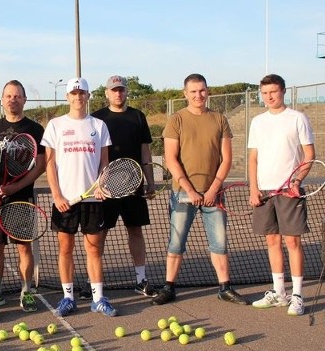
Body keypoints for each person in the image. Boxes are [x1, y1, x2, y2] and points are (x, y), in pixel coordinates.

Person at [153, 73, 247, 306]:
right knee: (176, 243)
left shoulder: (219, 119)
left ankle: (225, 288)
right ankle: (169, 287)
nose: (198, 95)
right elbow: (171, 160)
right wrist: (191, 190)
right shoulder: (176, 120)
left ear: (208, 91)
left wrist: (213, 189)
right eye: (193, 91)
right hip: (183, 194)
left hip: (214, 194)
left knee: (220, 243)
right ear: (185, 94)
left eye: (202, 90)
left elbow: (226, 159)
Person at [41, 77, 117, 317]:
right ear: (68, 97)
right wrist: (56, 195)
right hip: (65, 200)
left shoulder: (99, 126)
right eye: (73, 93)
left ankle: (98, 299)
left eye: (81, 93)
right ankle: (67, 298)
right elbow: (50, 164)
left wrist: (100, 185)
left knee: (94, 250)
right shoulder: (55, 125)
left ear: (88, 96)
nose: (77, 97)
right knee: (66, 249)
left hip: (93, 199)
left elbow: (105, 163)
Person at [248, 74, 315, 316]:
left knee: (292, 242)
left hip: (290, 192)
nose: (269, 97)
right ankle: (279, 293)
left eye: (273, 92)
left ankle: (297, 295)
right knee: (272, 241)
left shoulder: (298, 118)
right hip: (264, 192)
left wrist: (297, 181)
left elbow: (309, 155)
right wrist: (253, 188)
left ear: (283, 91)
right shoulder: (257, 122)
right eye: (265, 93)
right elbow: (253, 158)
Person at [91, 75, 157, 299]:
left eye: (121, 90)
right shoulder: (97, 119)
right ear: (107, 94)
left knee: (135, 231)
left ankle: (141, 280)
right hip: (105, 187)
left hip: (133, 184)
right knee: (100, 234)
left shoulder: (138, 116)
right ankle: (94, 283)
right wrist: (96, 182)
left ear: (126, 92)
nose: (118, 93)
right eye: (113, 90)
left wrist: (150, 181)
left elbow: (145, 151)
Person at [0, 80, 45, 312]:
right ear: (2, 100)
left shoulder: (34, 129)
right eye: (8, 95)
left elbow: (40, 166)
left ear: (24, 100)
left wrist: (14, 187)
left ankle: (26, 291)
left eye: (17, 96)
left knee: (24, 248)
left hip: (21, 199)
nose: (13, 99)